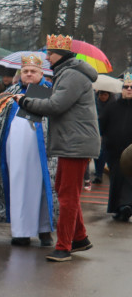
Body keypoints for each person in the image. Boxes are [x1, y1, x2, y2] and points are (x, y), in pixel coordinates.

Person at [16, 35, 101, 262]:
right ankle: (80, 238)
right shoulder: (67, 72)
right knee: (64, 189)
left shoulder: (72, 75)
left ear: (61, 55)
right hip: (71, 142)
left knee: (67, 196)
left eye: (50, 53)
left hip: (76, 143)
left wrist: (25, 101)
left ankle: (64, 247)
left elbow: (56, 105)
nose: (46, 57)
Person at [0, 55, 56, 247]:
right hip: (14, 152)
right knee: (18, 187)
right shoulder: (11, 92)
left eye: (33, 71)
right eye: (25, 71)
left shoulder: (49, 91)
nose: (29, 74)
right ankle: (21, 232)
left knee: (43, 187)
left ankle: (44, 231)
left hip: (41, 152)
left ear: (42, 73)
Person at [98, 72, 132, 222]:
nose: (129, 89)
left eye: (131, 87)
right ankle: (118, 207)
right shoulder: (112, 107)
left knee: (128, 180)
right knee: (116, 180)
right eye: (126, 87)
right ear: (121, 89)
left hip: (130, 153)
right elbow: (102, 126)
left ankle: (126, 205)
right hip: (113, 151)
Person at [93, 89, 114, 184]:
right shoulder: (94, 104)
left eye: (105, 95)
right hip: (95, 131)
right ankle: (98, 171)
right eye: (101, 94)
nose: (103, 97)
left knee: (103, 153)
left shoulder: (112, 105)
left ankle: (99, 174)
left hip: (107, 133)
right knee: (95, 153)